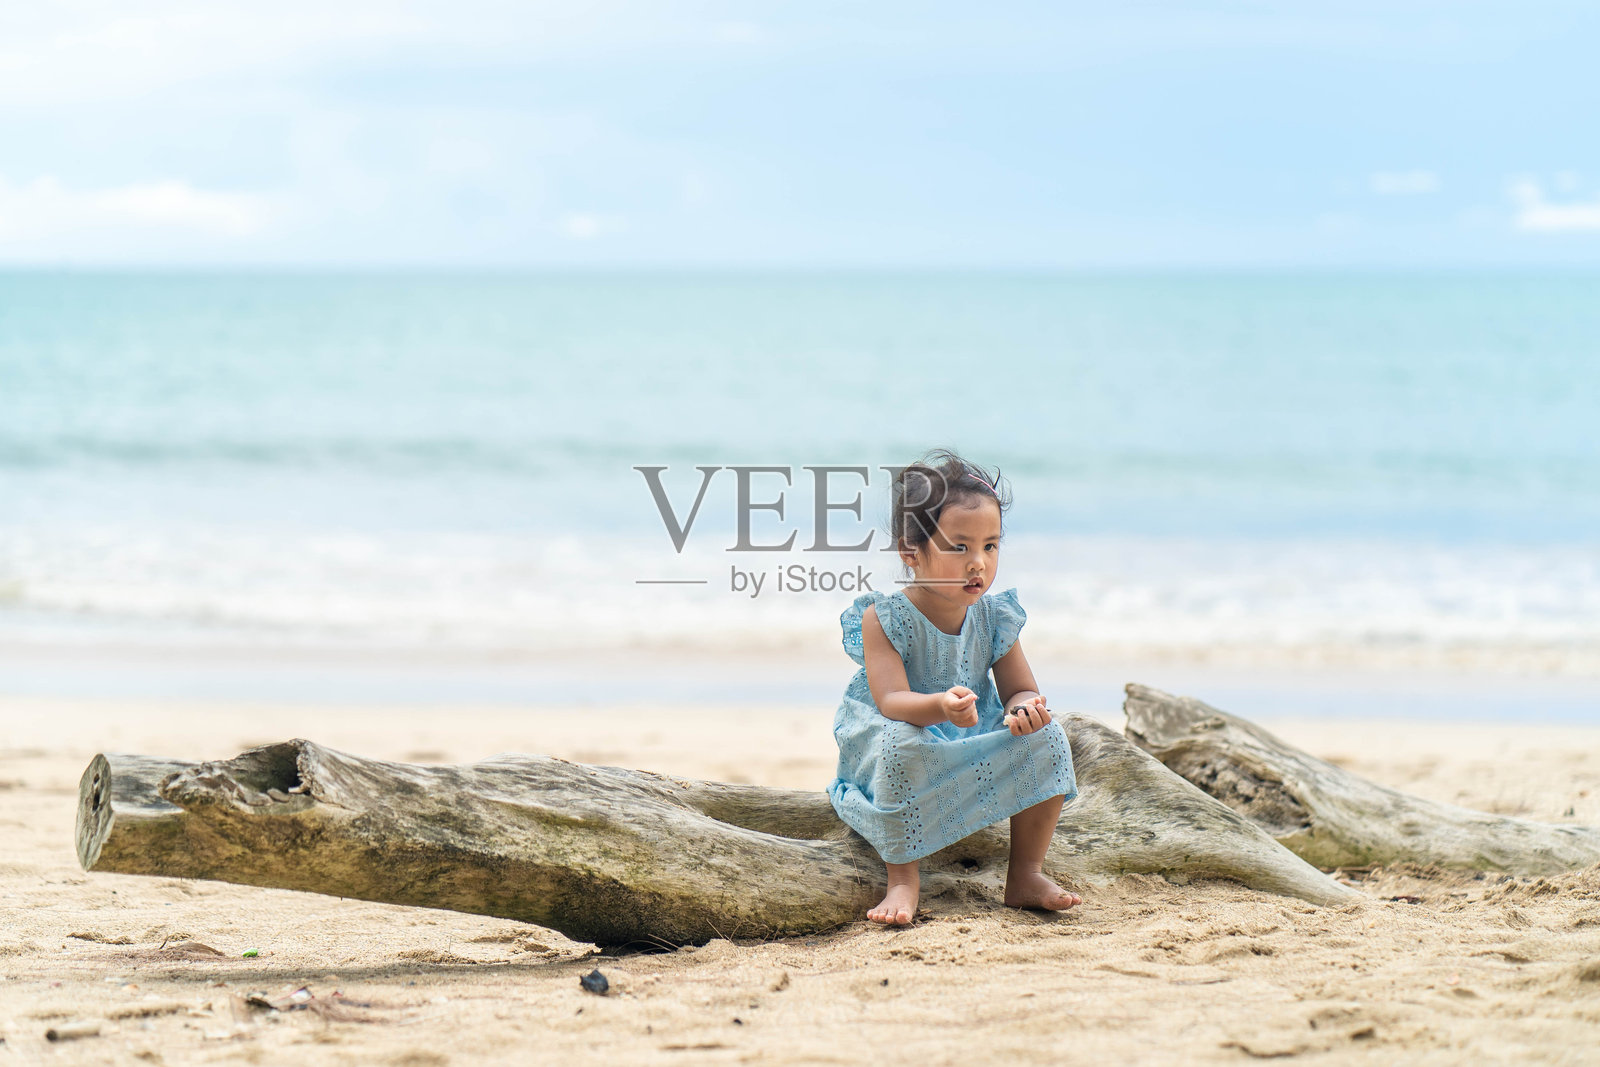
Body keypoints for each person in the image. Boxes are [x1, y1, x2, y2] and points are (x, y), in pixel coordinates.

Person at [828, 448, 1081, 925]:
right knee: (901, 745)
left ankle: (1025, 873)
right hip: (897, 732)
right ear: (911, 553)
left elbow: (1020, 688)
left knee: (1050, 736)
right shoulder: (884, 618)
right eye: (959, 547)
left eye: (990, 546)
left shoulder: (993, 617)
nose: (978, 564)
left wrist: (1025, 710)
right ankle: (903, 880)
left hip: (966, 731)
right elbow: (891, 701)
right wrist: (941, 706)